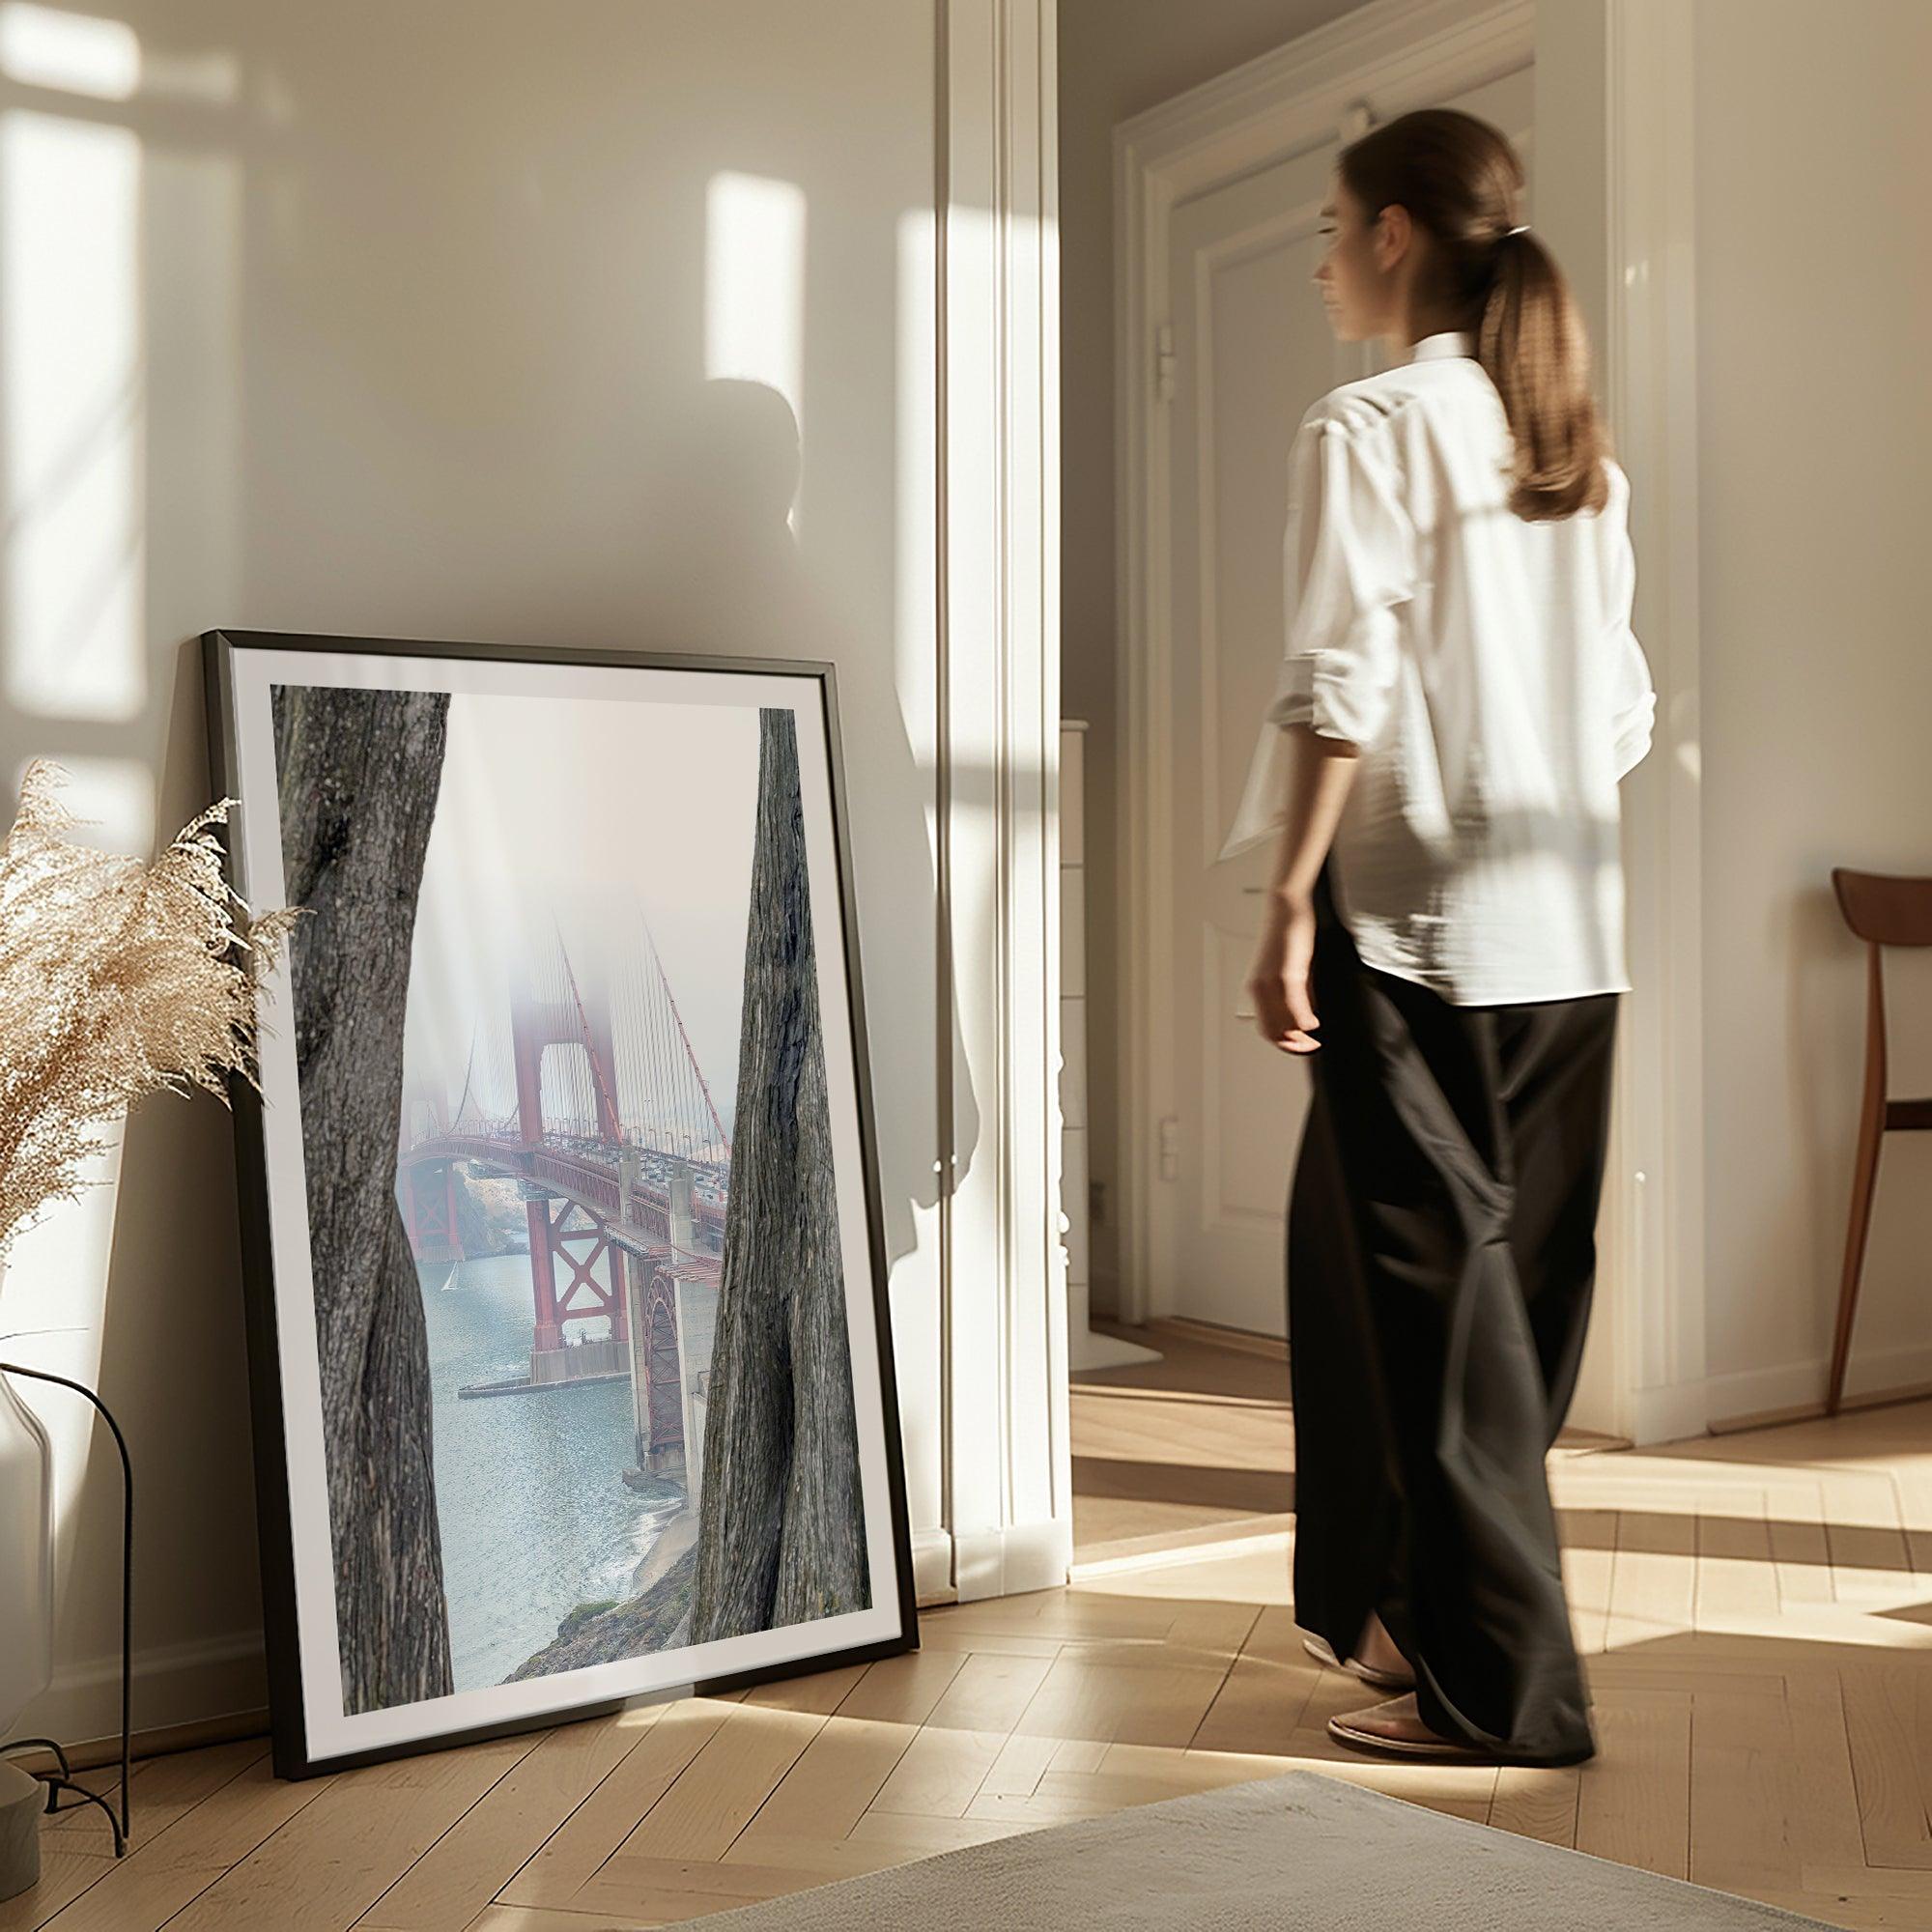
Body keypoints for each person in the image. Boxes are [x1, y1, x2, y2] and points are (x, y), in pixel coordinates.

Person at [1217, 107, 1656, 1769]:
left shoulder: (1369, 423)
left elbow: (1338, 686)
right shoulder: (1577, 455)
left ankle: (1508, 1695)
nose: (1323, 263)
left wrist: (1281, 904)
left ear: (1399, 234)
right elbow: (1617, 716)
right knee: (1496, 1313)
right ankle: (1418, 1618)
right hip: (1570, 938)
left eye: (1333, 229)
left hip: (1411, 934)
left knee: (1438, 1319)